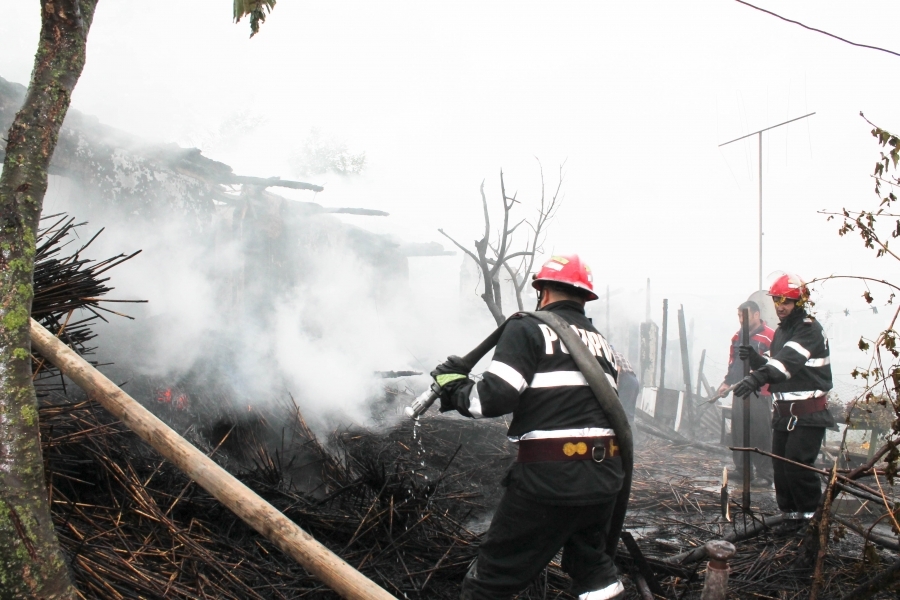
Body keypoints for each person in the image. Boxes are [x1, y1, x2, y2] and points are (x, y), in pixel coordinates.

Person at [432, 254, 626, 600]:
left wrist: (454, 387)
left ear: (544, 292)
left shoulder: (528, 328)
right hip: (604, 481)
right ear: (584, 298)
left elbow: (491, 399)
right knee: (593, 571)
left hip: (549, 480)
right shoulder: (603, 346)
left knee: (491, 580)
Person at [733, 273, 835, 530]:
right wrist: (756, 359)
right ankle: (790, 518)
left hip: (808, 414)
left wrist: (755, 378)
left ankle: (812, 523)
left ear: (799, 303)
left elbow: (785, 364)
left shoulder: (808, 329)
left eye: (787, 301)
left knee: (798, 467)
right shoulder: (782, 331)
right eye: (778, 300)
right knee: (781, 468)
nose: (780, 306)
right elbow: (774, 362)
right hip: (784, 415)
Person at [716, 300, 775, 486]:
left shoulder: (770, 336)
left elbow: (774, 365)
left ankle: (765, 474)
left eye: (745, 315)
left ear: (756, 315)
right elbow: (733, 363)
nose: (741, 320)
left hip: (761, 391)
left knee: (761, 433)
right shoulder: (737, 337)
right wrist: (726, 382)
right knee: (739, 431)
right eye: (739, 316)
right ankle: (742, 470)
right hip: (740, 390)